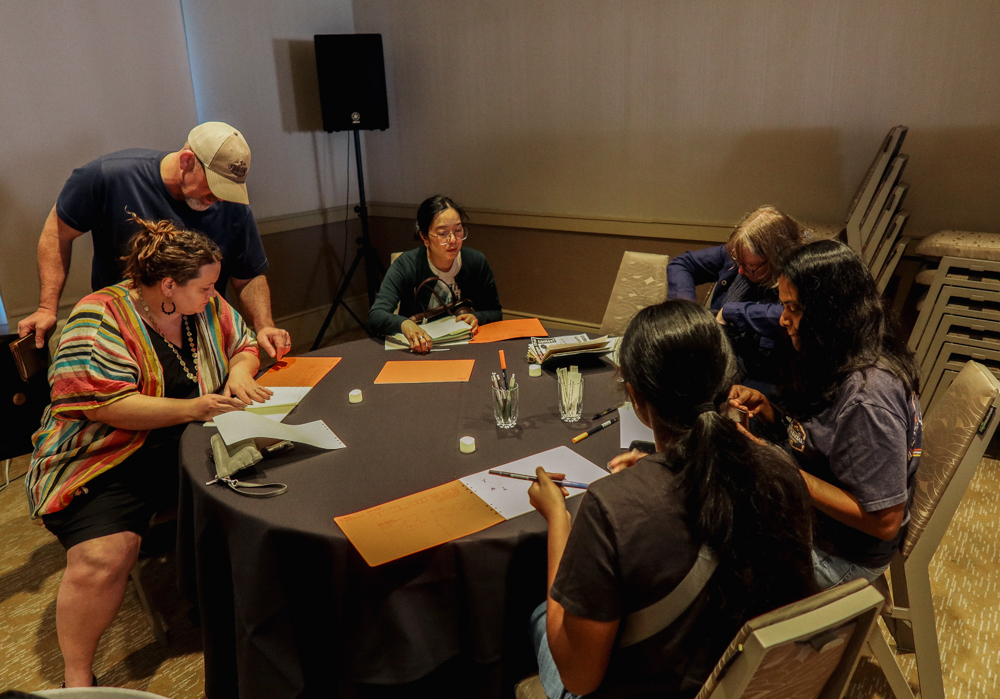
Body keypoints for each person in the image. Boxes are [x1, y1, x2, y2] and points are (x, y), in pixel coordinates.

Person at [25, 215, 273, 688]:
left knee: (263, 484)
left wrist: (242, 370)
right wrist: (192, 407)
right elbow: (107, 407)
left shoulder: (202, 302)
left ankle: (232, 608)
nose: (212, 294)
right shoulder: (100, 316)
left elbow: (241, 342)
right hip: (103, 456)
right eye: (204, 288)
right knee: (105, 555)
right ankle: (77, 678)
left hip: (183, 440)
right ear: (167, 286)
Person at [528, 301, 817, 698]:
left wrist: (557, 518)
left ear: (635, 397)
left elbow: (579, 676)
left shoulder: (610, 505)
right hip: (746, 682)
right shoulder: (780, 470)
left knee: (542, 615)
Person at [729, 239, 923, 589]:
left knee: (708, 550)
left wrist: (777, 467)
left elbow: (884, 521)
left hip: (842, 557)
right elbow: (830, 442)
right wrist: (773, 417)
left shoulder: (868, 397)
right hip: (821, 528)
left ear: (831, 312)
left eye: (795, 308)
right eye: (783, 305)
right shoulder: (842, 350)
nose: (784, 319)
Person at [16, 121, 291, 360]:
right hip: (126, 332)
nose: (217, 199)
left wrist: (264, 324)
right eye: (213, 188)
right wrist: (46, 308)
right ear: (186, 161)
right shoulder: (109, 177)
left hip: (202, 334)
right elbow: (57, 233)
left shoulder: (231, 205)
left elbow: (249, 275)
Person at [667, 205, 806, 389]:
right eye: (737, 262)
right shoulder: (741, 253)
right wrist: (687, 310)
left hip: (767, 374)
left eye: (749, 266)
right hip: (719, 349)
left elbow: (799, 315)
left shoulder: (802, 274)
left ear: (775, 259)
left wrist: (734, 311)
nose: (739, 270)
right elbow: (682, 264)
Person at [367, 195, 502, 353]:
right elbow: (375, 315)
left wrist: (478, 317)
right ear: (424, 237)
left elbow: (495, 312)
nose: (453, 240)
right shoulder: (406, 265)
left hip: (465, 346)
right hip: (421, 349)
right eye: (443, 234)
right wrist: (404, 324)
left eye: (458, 230)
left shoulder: (475, 261)